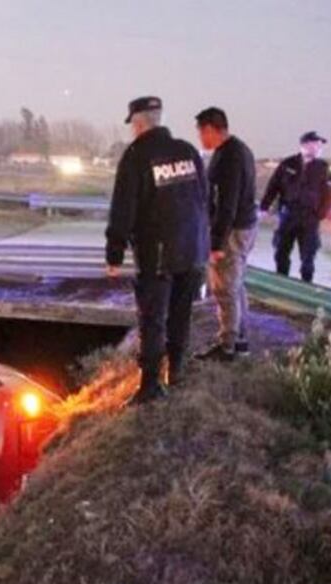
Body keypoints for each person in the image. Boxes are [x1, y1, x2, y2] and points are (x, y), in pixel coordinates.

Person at [105, 96, 209, 404]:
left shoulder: (136, 156)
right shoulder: (188, 151)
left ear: (138, 124)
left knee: (153, 319)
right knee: (181, 314)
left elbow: (123, 208)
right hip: (192, 249)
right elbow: (203, 198)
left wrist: (114, 253)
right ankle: (176, 372)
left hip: (158, 254)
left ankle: (151, 386)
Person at [194, 107, 258, 361]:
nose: (200, 138)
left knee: (225, 287)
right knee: (236, 283)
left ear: (211, 129)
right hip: (243, 227)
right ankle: (240, 339)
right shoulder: (239, 150)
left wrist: (216, 243)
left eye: (201, 133)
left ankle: (228, 345)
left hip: (232, 231)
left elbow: (227, 204)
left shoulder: (230, 156)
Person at [260, 131, 331, 283]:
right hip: (288, 214)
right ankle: (281, 282)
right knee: (281, 251)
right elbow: (273, 186)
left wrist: (321, 213)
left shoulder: (323, 167)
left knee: (308, 256)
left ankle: (306, 285)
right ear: (305, 145)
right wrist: (264, 207)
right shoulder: (288, 164)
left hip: (310, 218)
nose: (318, 148)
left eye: (320, 146)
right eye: (315, 145)